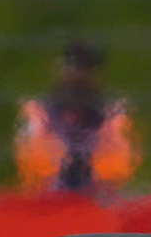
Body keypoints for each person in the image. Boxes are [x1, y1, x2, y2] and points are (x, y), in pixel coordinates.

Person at [14, 41, 140, 194]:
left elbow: (120, 165)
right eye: (73, 67)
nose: (79, 74)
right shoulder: (39, 113)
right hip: (48, 197)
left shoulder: (114, 115)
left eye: (86, 68)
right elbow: (31, 166)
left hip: (100, 198)